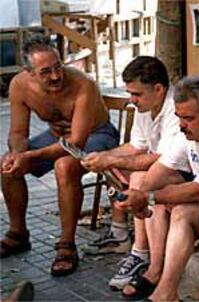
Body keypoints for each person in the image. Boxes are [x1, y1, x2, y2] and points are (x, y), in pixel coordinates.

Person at [0, 34, 120, 276]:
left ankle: (66, 245)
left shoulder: (82, 84)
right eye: (45, 72)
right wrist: (17, 154)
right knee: (6, 165)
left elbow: (75, 141)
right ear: (29, 72)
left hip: (97, 134)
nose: (55, 76)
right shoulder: (19, 85)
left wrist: (30, 155)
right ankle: (18, 233)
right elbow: (16, 132)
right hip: (57, 136)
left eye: (58, 67)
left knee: (65, 166)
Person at [116, 76, 199, 301]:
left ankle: (166, 293)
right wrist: (138, 197)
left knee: (180, 211)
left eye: (188, 118)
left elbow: (198, 191)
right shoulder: (188, 131)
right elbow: (161, 169)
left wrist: (147, 198)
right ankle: (155, 271)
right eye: (179, 117)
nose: (181, 124)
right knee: (152, 188)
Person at [80, 56, 182, 290]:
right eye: (130, 93)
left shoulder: (175, 107)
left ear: (158, 89)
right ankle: (129, 244)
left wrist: (112, 159)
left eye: (136, 94)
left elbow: (163, 158)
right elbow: (137, 146)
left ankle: (146, 259)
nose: (132, 100)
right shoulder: (146, 106)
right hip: (162, 168)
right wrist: (105, 158)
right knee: (120, 168)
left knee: (141, 180)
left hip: (185, 172)